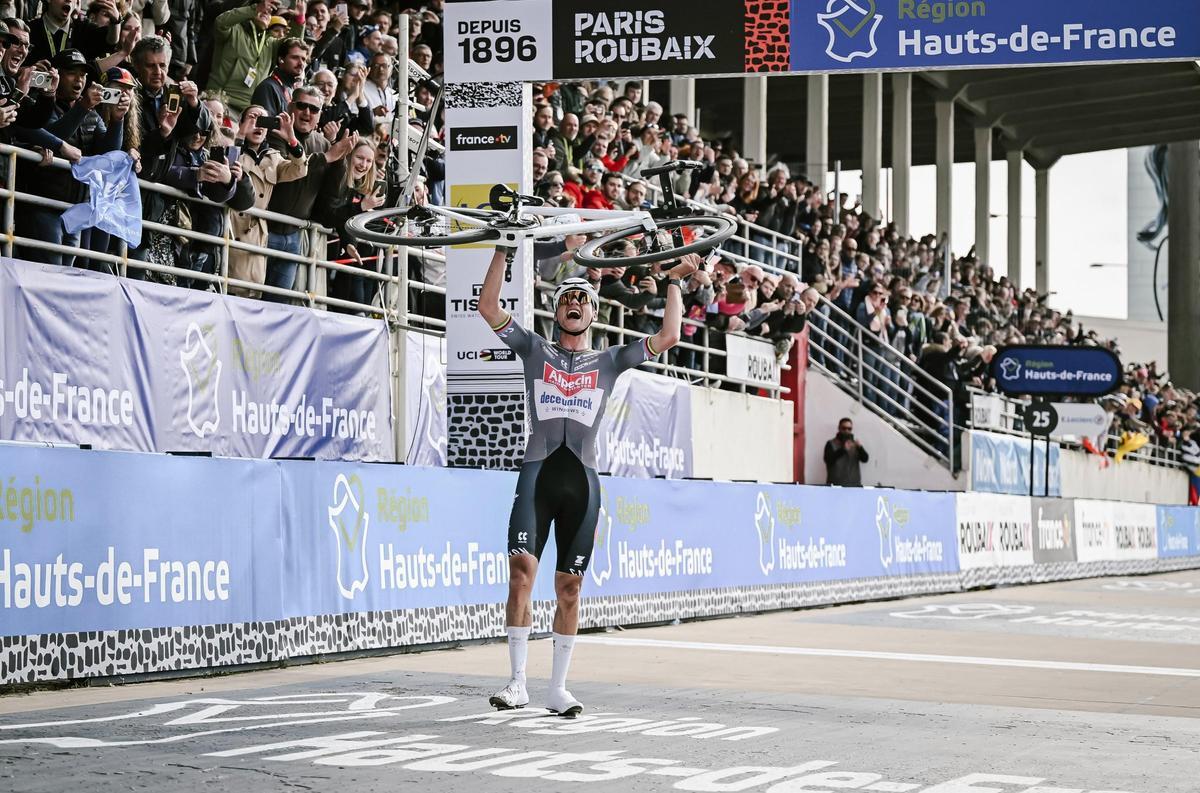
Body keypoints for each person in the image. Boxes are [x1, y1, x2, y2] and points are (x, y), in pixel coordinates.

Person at [477, 233, 700, 718]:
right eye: (567, 299)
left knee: (569, 587)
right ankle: (516, 682)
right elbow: (488, 305)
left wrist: (673, 284)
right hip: (536, 476)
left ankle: (558, 688)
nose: (575, 304)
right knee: (520, 576)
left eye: (583, 299)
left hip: (583, 483)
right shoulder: (534, 349)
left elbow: (668, 338)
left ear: (594, 314)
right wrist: (502, 249)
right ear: (557, 311)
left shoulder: (612, 359)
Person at [824, 418, 869, 486]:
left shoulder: (855, 444)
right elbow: (828, 460)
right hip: (835, 486)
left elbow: (865, 459)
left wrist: (860, 448)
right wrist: (843, 450)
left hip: (854, 484)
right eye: (844, 428)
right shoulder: (830, 443)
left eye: (849, 428)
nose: (846, 431)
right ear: (839, 428)